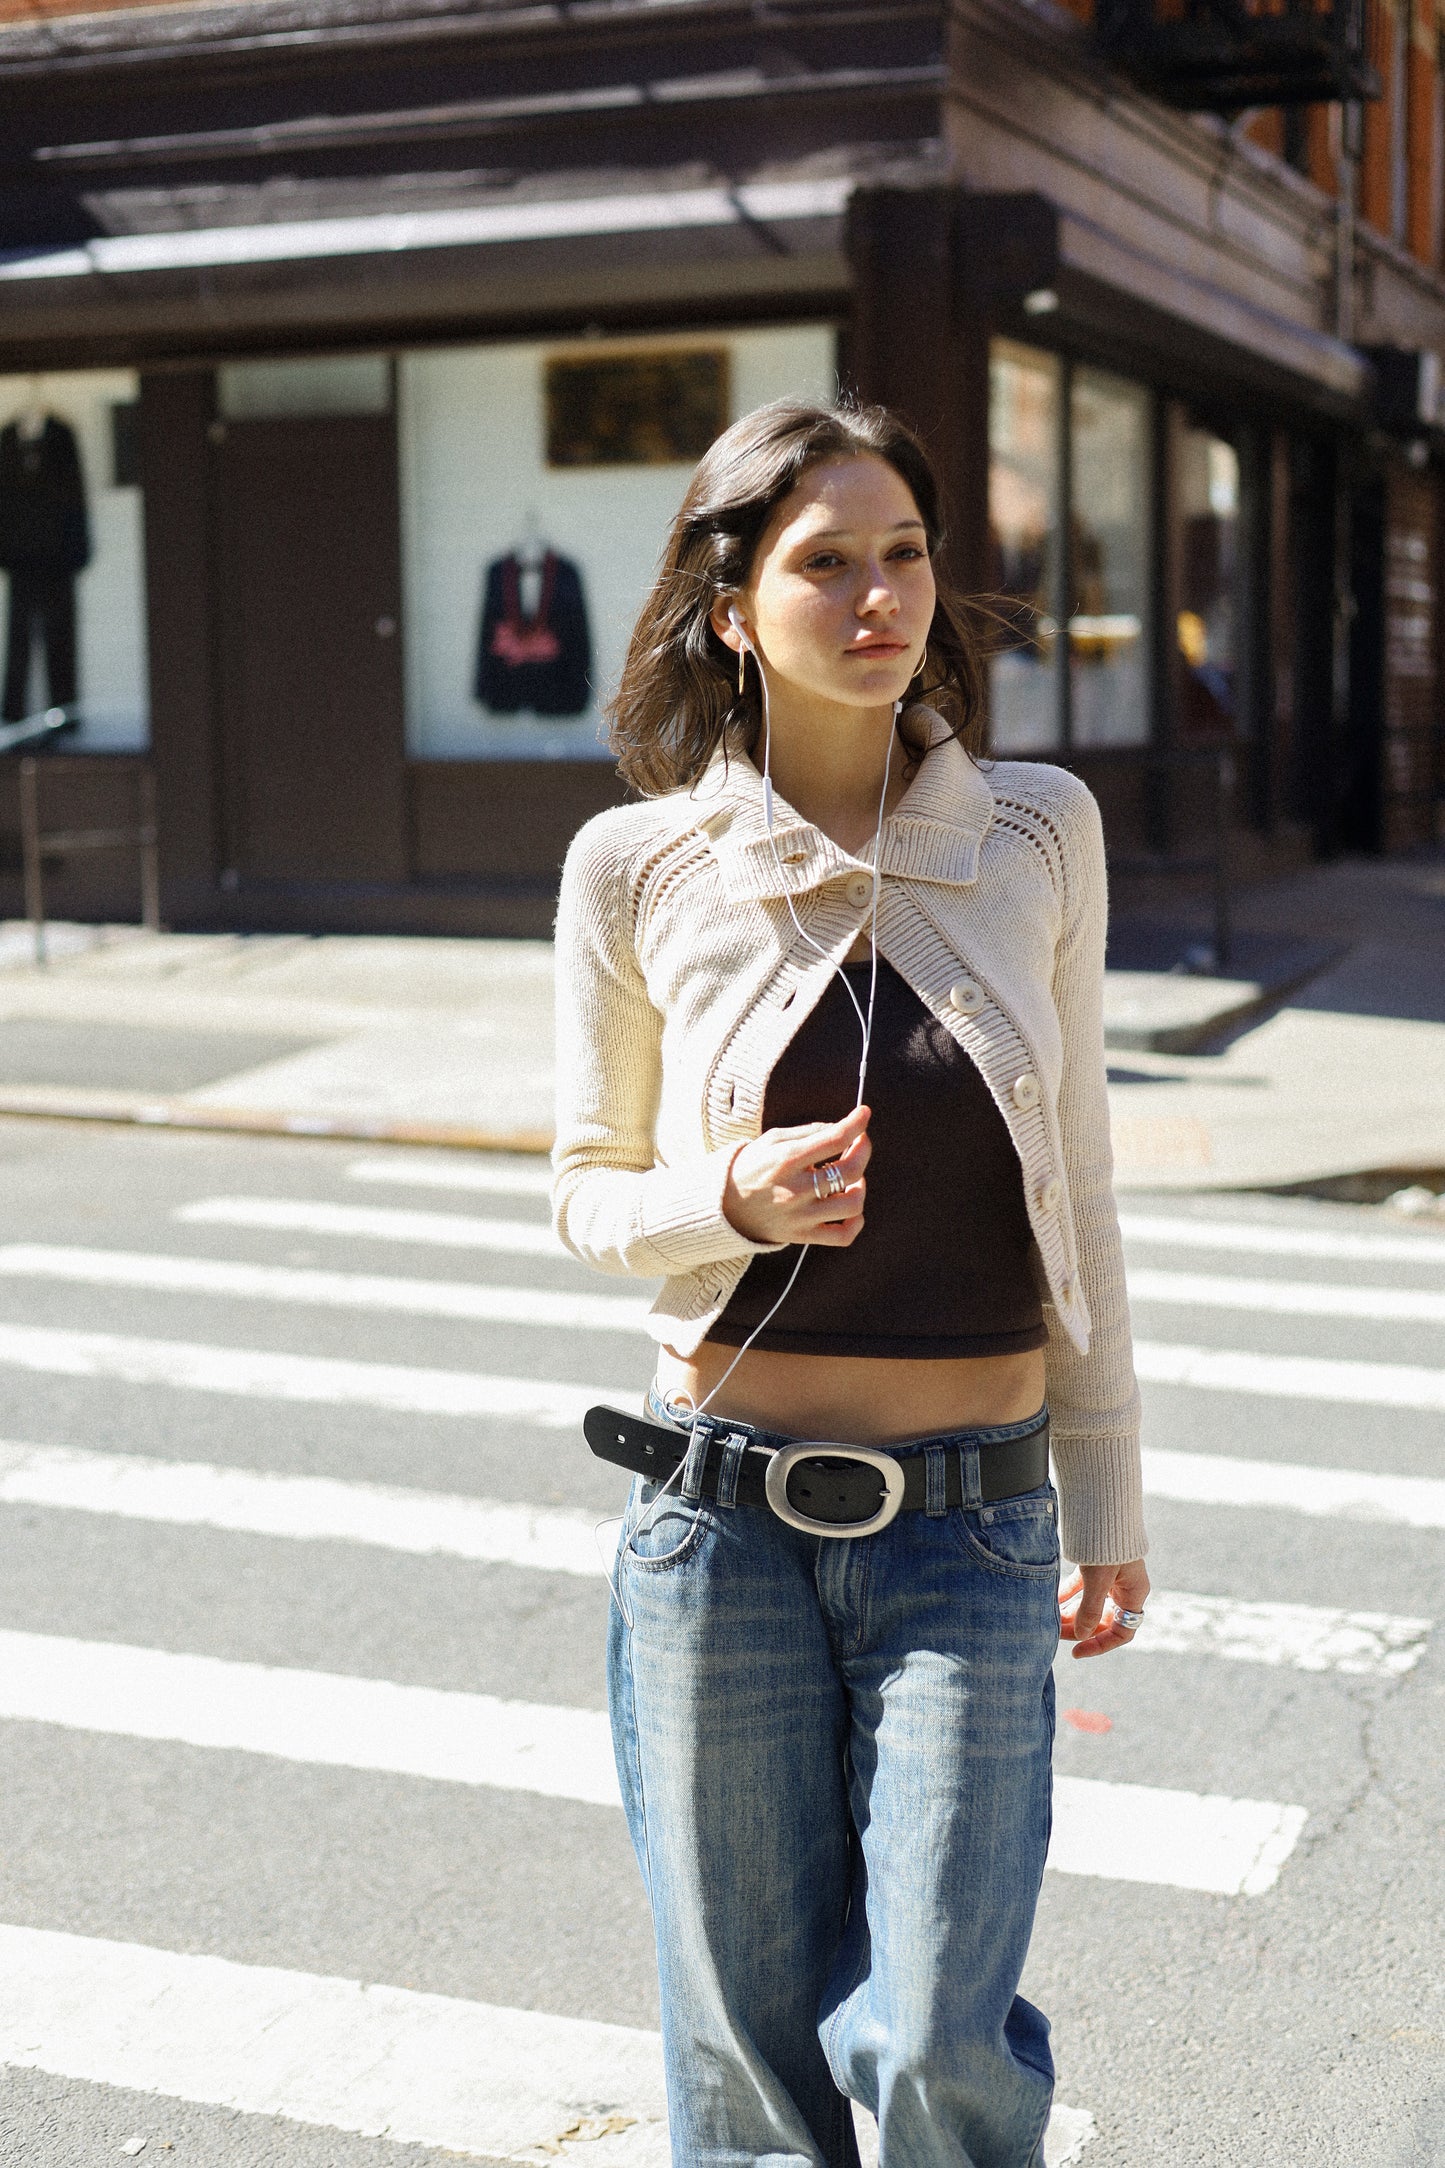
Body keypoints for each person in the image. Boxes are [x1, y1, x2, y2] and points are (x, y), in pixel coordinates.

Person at [552, 400, 1149, 2168]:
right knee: (741, 2050)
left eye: (904, 555)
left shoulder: (1036, 833)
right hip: (713, 1529)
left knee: (933, 2037)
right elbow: (586, 1197)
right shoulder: (639, 864)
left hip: (970, 1521)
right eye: (826, 563)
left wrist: (1104, 1484)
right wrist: (723, 1198)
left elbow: (1084, 1189)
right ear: (732, 606)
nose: (880, 596)